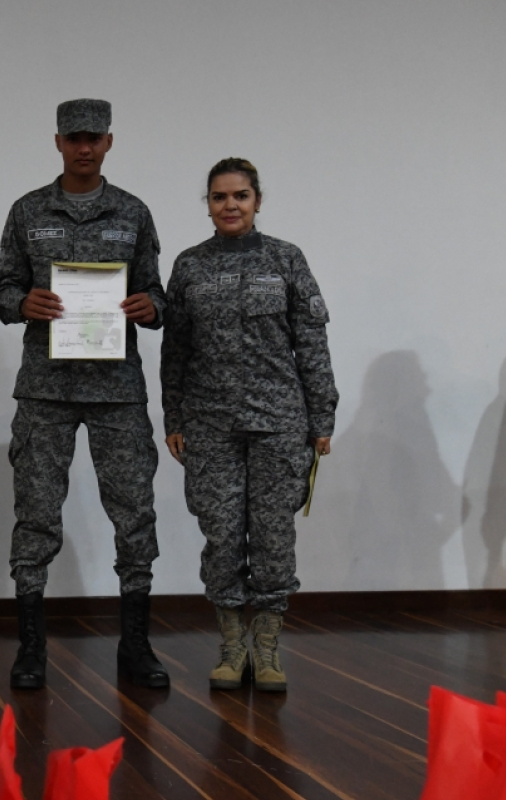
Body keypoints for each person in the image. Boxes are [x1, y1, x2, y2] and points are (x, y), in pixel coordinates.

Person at [0, 99, 168, 690]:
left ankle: (136, 646)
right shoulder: (27, 211)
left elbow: (156, 294)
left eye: (93, 138)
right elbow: (2, 290)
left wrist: (151, 308)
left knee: (134, 513)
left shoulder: (133, 213)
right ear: (59, 142)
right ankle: (32, 647)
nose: (84, 147)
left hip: (117, 389)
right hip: (46, 388)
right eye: (74, 138)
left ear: (109, 142)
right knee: (36, 514)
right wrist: (22, 303)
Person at [160, 158, 337, 692]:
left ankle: (268, 651)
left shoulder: (286, 259)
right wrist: (174, 415)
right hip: (211, 425)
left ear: (258, 200)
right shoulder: (190, 266)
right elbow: (177, 351)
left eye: (240, 195)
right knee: (220, 535)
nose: (230, 205)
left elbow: (311, 343)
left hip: (279, 422)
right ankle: (232, 647)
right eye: (219, 197)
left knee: (273, 538)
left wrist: (321, 416)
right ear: (208, 205)